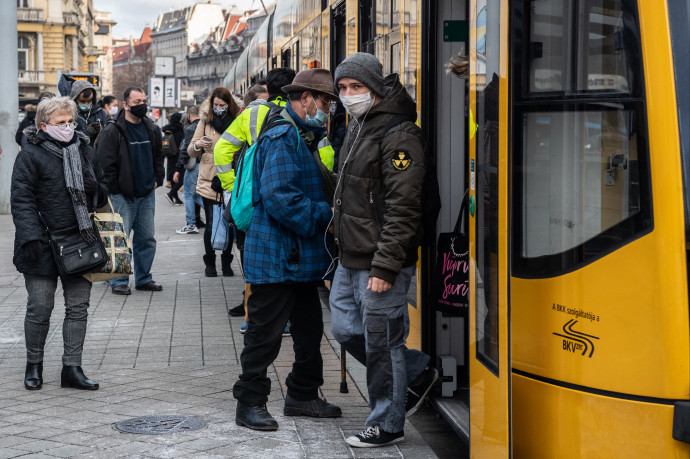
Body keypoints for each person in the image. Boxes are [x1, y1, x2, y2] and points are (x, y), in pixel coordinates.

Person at [330, 52, 439, 448]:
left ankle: (388, 423)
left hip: (381, 259)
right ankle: (416, 371)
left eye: (355, 87)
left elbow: (403, 205)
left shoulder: (399, 132)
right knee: (344, 328)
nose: (347, 95)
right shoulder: (360, 126)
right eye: (342, 88)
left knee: (382, 342)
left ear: (374, 88)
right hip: (351, 255)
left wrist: (387, 265)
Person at [232, 68, 342, 431]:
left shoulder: (302, 133)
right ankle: (249, 402)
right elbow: (279, 198)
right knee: (264, 334)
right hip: (279, 256)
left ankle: (303, 395)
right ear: (305, 98)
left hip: (295, 255)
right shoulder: (283, 135)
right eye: (325, 102)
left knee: (310, 330)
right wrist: (324, 214)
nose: (328, 109)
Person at [11, 96, 109, 391]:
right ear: (43, 125)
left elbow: (103, 191)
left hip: (80, 239)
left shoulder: (84, 150)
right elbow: (22, 198)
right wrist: (29, 236)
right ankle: (34, 364)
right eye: (60, 123)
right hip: (41, 242)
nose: (68, 127)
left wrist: (96, 190)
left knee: (78, 307)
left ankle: (72, 368)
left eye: (70, 122)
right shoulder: (30, 154)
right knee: (39, 307)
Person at [216, 68, 295, 324]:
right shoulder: (306, 109)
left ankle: (257, 317)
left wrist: (235, 187)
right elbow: (325, 155)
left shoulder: (253, 113)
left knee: (256, 257)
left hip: (257, 198)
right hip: (294, 197)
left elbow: (222, 150)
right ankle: (288, 318)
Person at [96, 86, 164, 295]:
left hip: (146, 194)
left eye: (143, 101)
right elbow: (104, 165)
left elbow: (159, 157)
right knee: (118, 239)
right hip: (122, 196)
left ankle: (143, 279)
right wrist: (116, 189)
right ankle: (119, 281)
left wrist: (157, 179)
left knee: (146, 239)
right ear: (125, 105)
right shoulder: (112, 131)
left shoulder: (151, 128)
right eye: (136, 102)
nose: (141, 105)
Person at [188, 88, 240, 277]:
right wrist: (198, 145)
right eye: (215, 105)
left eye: (222, 105)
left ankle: (227, 263)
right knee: (211, 223)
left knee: (228, 222)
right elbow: (190, 151)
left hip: (230, 178)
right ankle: (210, 263)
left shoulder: (237, 119)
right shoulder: (205, 120)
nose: (218, 108)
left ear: (229, 104)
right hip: (209, 179)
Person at [174, 105, 203, 234]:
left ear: (188, 115)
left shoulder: (191, 128)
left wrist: (178, 169)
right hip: (205, 164)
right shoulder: (205, 126)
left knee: (188, 194)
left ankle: (191, 224)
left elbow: (185, 149)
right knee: (196, 194)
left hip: (194, 165)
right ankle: (216, 212)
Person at [70, 80, 109, 145]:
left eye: (89, 101)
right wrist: (86, 131)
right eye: (83, 101)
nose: (86, 104)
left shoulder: (100, 112)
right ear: (75, 98)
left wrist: (101, 130)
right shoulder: (68, 113)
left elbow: (109, 134)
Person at [162, 112, 185, 205]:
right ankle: (171, 193)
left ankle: (175, 197)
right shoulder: (180, 130)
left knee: (172, 176)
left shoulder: (167, 129)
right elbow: (182, 144)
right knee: (182, 176)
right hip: (178, 155)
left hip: (170, 155)